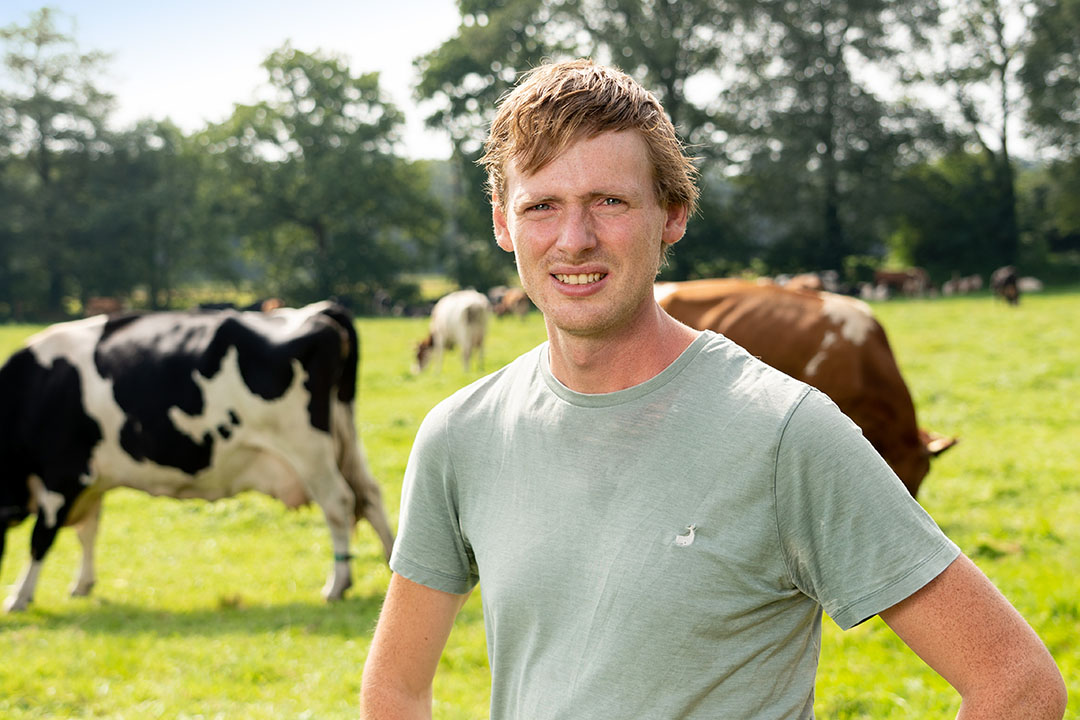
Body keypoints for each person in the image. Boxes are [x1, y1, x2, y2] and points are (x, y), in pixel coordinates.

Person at [360, 59, 1066, 719]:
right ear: (501, 222)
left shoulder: (784, 433)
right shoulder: (460, 433)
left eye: (609, 200)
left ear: (672, 214)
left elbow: (1019, 685)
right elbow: (394, 688)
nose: (573, 239)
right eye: (541, 205)